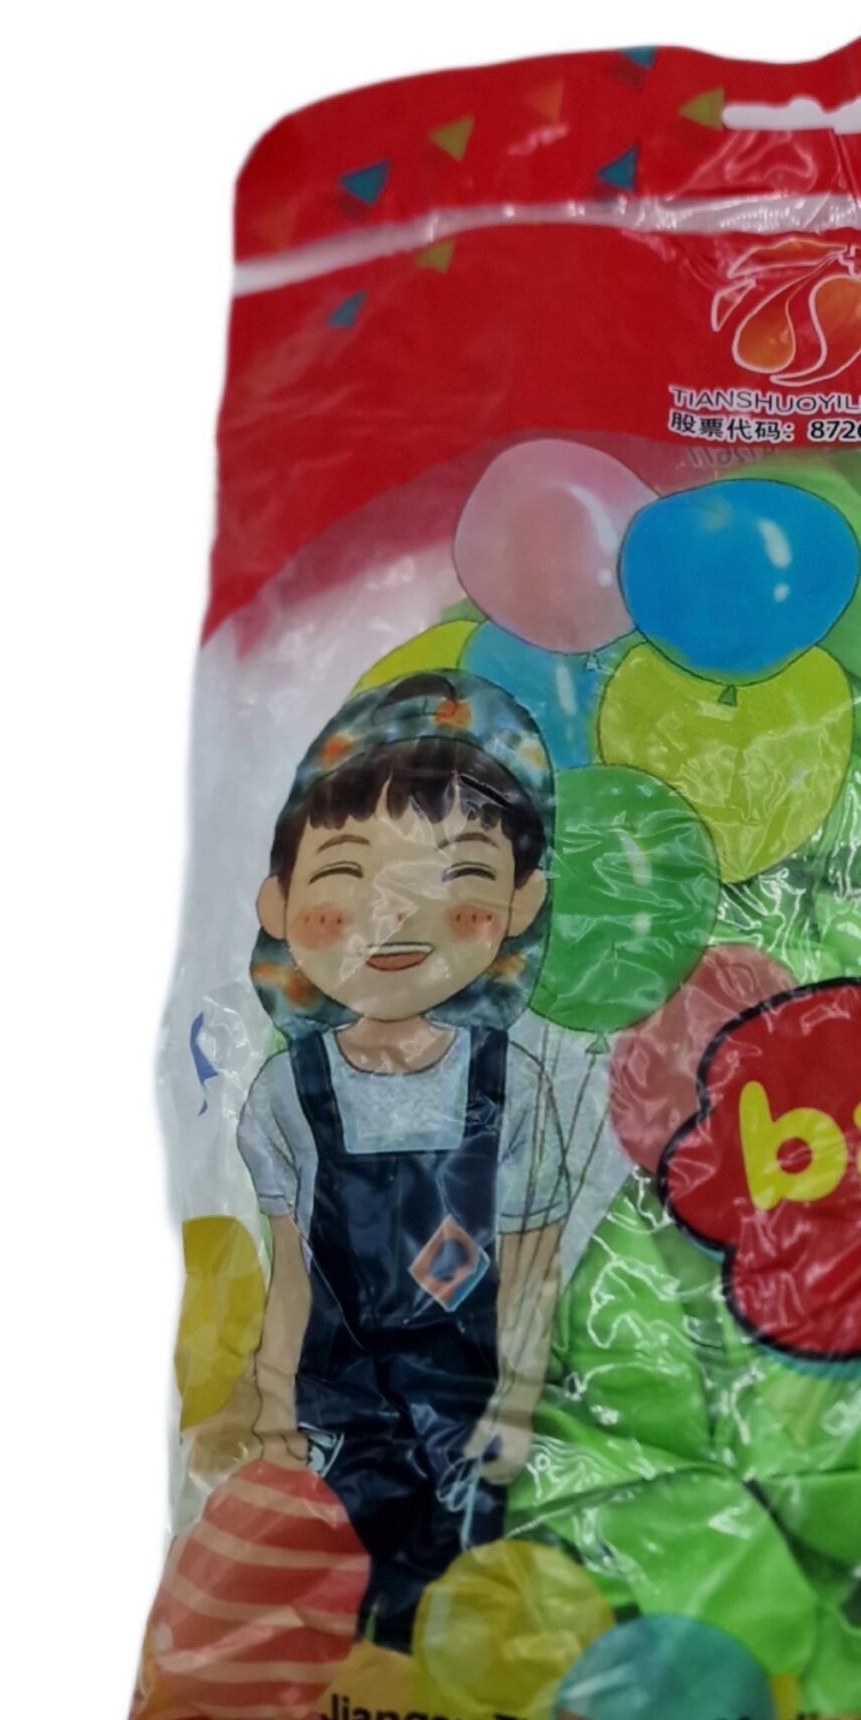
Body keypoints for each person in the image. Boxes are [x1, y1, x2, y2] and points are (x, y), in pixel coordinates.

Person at [223, 672, 577, 1651]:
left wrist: (517, 1404)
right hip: (338, 1410)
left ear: (520, 902)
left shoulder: (513, 1085)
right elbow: (290, 1271)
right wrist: (274, 1406)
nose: (397, 917)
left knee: (460, 1622)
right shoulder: (286, 1093)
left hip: (468, 1409)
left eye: (456, 877)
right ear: (278, 900)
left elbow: (531, 1268)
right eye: (348, 874)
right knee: (338, 1616)